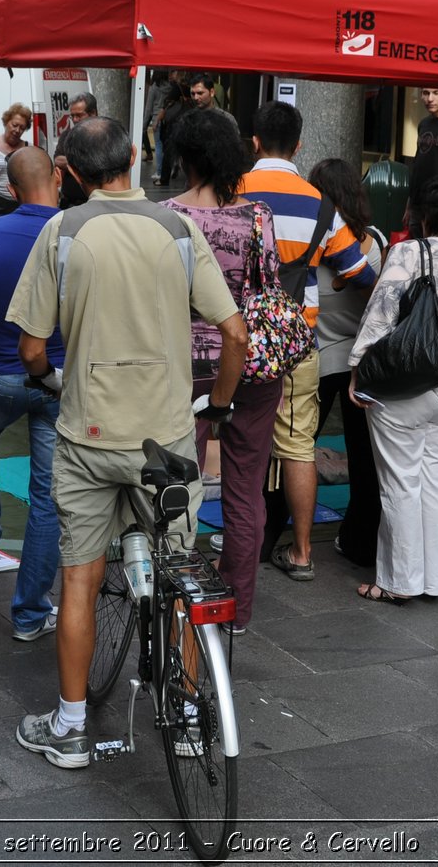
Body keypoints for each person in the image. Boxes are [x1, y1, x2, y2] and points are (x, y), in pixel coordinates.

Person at [8, 116, 245, 769]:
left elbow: (30, 345)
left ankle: (72, 726)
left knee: (80, 579)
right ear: (135, 157)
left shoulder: (63, 231)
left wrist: (53, 379)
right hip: (164, 438)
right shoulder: (178, 229)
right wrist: (218, 406)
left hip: (87, 432)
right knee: (182, 574)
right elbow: (236, 333)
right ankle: (191, 719)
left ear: (71, 174)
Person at [239, 100, 377, 583]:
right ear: (298, 144)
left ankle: (240, 542)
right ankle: (300, 551)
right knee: (297, 446)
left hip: (236, 339)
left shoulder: (231, 191)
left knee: (239, 442)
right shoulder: (319, 203)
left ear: (254, 142)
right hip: (297, 342)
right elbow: (361, 273)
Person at [163, 107, 283, 631]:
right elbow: (268, 285)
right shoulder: (258, 215)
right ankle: (237, 609)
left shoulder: (166, 216)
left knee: (175, 484)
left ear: (184, 157)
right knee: (245, 487)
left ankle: (176, 592)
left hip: (184, 364)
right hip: (253, 361)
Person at [350, 179, 438, 603]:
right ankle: (430, 581)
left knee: (400, 482)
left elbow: (383, 308)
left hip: (408, 382)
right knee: (435, 480)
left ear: (425, 215)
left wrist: (359, 368)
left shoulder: (409, 251)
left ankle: (397, 582)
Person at [0, 147, 65, 639]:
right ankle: (29, 614)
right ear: (58, 179)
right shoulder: (76, 234)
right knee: (46, 494)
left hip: (0, 377)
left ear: (11, 190)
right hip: (58, 380)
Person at [306, 158, 385, 567]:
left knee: (297, 450)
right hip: (363, 359)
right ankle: (360, 541)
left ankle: (284, 536)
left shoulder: (311, 241)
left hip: (317, 358)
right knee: (365, 457)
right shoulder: (377, 242)